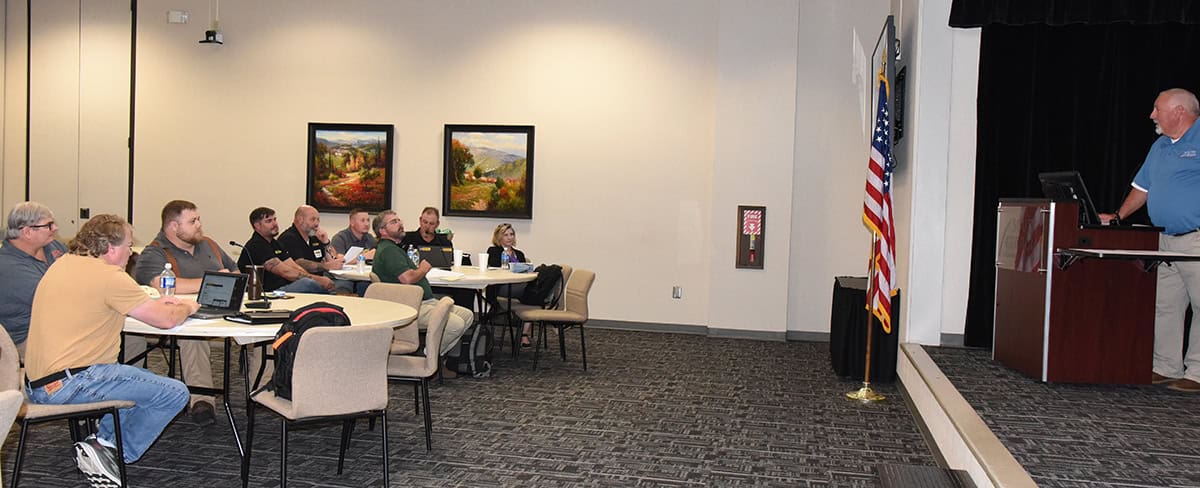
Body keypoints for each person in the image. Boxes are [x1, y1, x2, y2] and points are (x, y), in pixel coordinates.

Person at [24, 214, 195, 486]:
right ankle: (107, 450)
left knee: (134, 378)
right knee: (173, 392)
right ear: (111, 248)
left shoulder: (62, 264)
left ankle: (100, 444)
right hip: (75, 381)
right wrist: (188, 307)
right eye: (128, 245)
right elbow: (166, 320)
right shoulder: (109, 276)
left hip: (39, 383)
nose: (131, 252)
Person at [1100, 87, 1200, 393]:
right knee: (1165, 305)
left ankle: (1197, 372)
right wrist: (1117, 216)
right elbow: (1142, 189)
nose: (1152, 115)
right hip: (1164, 241)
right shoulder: (1159, 147)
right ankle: (1166, 366)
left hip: (1196, 239)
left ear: (1179, 112)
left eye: (1158, 109)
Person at [132, 200, 237, 425]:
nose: (199, 225)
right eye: (192, 221)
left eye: (198, 219)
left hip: (222, 307)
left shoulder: (208, 244)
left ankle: (261, 390)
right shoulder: (154, 253)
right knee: (192, 335)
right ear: (173, 227)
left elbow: (234, 272)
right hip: (179, 316)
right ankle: (202, 400)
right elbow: (163, 285)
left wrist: (223, 281)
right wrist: (214, 282)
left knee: (264, 327)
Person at [371, 210, 475, 358]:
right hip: (410, 306)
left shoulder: (394, 248)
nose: (400, 224)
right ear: (382, 231)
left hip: (425, 301)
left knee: (467, 315)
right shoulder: (389, 250)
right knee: (455, 324)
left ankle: (434, 354)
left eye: (399, 220)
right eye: (393, 222)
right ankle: (429, 357)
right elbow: (407, 279)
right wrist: (423, 269)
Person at [0, 202, 67, 359]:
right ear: (28, 232)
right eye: (49, 225)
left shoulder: (52, 246)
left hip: (54, 326)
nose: (55, 228)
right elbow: (58, 298)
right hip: (25, 338)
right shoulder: (9, 266)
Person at [236, 206, 335, 294]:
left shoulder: (275, 243)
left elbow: (293, 266)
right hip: (267, 293)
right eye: (269, 221)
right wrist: (318, 280)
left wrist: (316, 279)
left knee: (310, 282)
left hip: (283, 287)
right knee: (307, 283)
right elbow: (285, 271)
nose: (274, 224)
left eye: (275, 219)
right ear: (257, 226)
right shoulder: (256, 245)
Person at [277, 205, 355, 294]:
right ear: (300, 220)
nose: (316, 223)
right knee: (340, 288)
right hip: (300, 283)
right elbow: (299, 263)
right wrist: (326, 266)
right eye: (313, 219)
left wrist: (326, 242)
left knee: (348, 284)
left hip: (321, 280)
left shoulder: (314, 237)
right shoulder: (289, 238)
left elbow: (332, 259)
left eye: (318, 220)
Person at [485, 223, 532, 346]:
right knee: (536, 292)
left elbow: (524, 273)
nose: (509, 237)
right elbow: (494, 270)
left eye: (511, 234)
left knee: (535, 294)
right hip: (501, 288)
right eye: (505, 235)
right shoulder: (494, 251)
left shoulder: (519, 254)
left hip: (518, 286)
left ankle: (524, 333)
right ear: (499, 237)